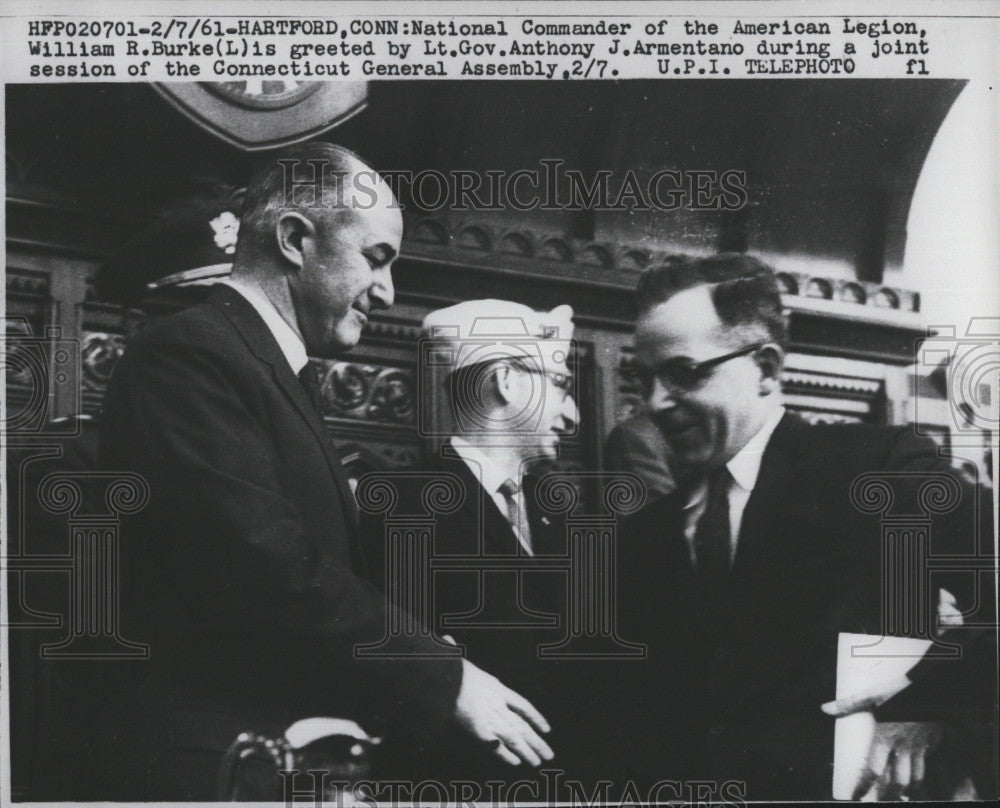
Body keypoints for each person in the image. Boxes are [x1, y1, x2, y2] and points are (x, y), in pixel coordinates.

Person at [97, 144, 551, 800]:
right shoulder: (189, 353)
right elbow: (259, 565)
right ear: (294, 240)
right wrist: (442, 676)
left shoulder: (255, 362)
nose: (389, 294)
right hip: (218, 766)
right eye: (377, 258)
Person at [611, 254, 996, 800]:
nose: (655, 403)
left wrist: (934, 702)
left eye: (682, 373)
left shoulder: (874, 467)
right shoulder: (646, 533)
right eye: (643, 378)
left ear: (766, 368)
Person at [361, 299, 583, 782]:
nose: (573, 416)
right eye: (560, 385)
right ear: (507, 381)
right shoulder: (404, 507)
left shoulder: (561, 514)